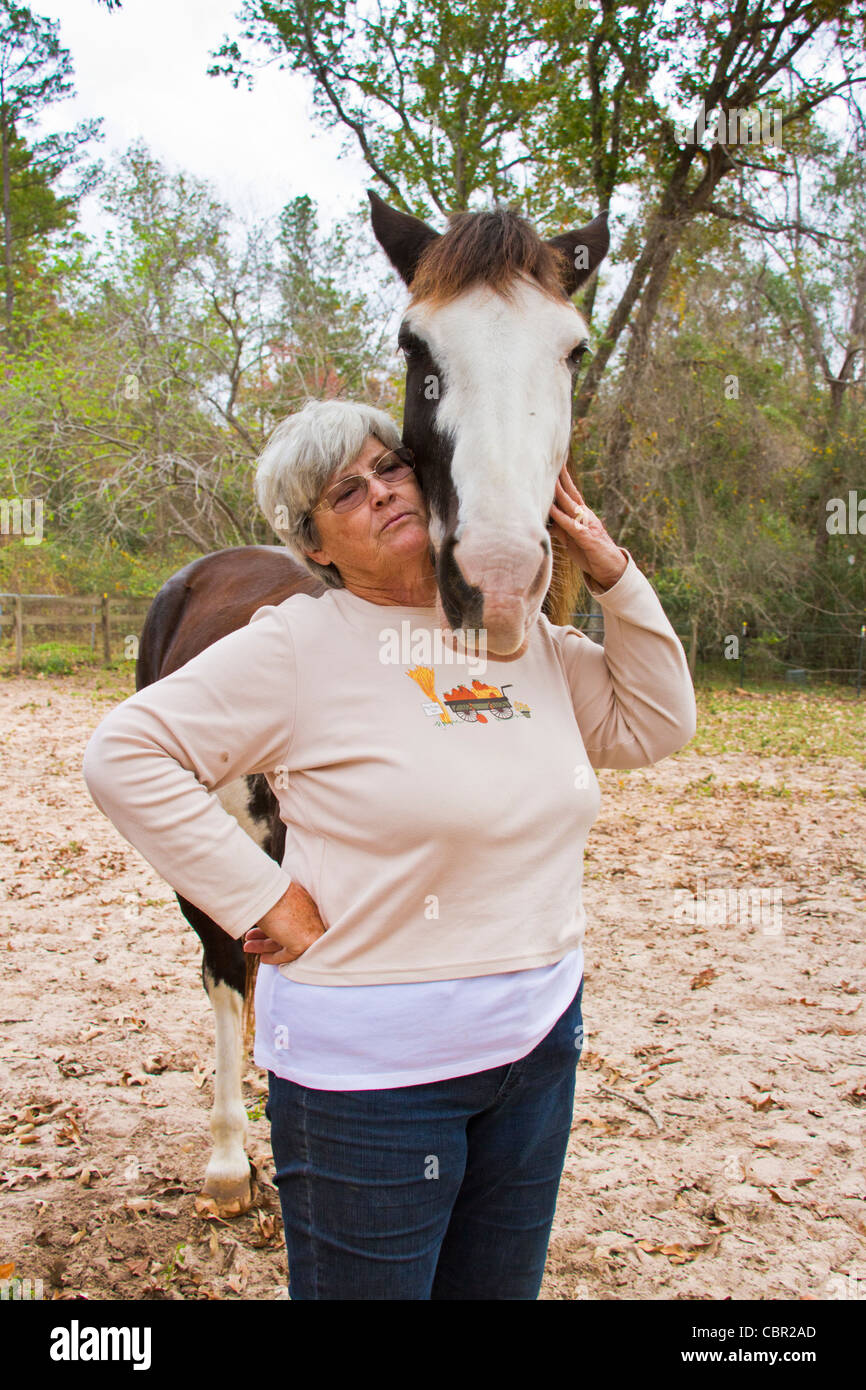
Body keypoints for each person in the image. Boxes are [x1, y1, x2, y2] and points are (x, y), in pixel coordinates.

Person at [82, 398, 696, 1301]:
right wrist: (260, 896)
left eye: (390, 468)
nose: (381, 492)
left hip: (535, 1056)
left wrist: (612, 570)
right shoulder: (297, 647)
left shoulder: (516, 634)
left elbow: (657, 722)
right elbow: (124, 755)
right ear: (317, 546)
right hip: (370, 1086)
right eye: (346, 490)